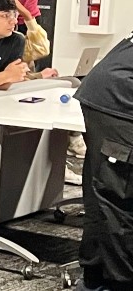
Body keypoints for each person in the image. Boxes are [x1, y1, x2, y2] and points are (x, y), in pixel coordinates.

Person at [73, 30, 133, 291]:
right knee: (119, 196)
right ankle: (117, 282)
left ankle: (95, 278)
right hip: (118, 99)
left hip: (107, 95)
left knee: (102, 192)